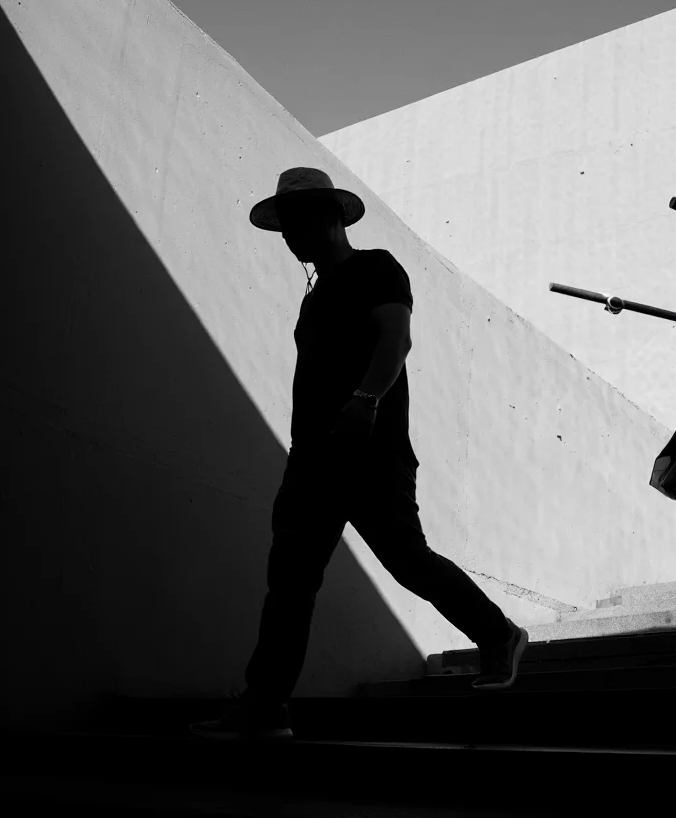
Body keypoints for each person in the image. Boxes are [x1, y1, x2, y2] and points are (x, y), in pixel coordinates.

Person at [191, 168, 528, 741]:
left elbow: (396, 335)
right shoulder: (315, 296)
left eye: (301, 220)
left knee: (405, 560)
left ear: (332, 216)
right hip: (312, 459)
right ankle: (265, 705)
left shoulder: (374, 267)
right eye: (286, 225)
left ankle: (497, 634)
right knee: (290, 580)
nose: (292, 234)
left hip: (372, 450)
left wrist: (366, 399)